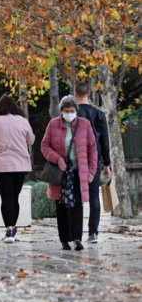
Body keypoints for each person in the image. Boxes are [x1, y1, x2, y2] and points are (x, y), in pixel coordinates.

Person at [41, 95, 97, 251]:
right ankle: (65, 239)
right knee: (61, 205)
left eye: (72, 111)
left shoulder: (84, 125)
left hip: (79, 172)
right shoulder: (53, 125)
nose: (69, 113)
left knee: (77, 205)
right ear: (61, 111)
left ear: (76, 111)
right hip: (61, 172)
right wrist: (57, 158)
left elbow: (93, 149)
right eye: (67, 111)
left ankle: (77, 238)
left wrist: (91, 171)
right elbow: (44, 146)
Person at [0, 95, 35, 243]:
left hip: (0, 164)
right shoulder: (23, 121)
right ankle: (13, 229)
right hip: (20, 164)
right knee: (15, 196)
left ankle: (9, 229)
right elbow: (31, 140)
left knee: (6, 197)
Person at [75, 82, 111, 243]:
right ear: (88, 94)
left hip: (76, 159)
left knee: (76, 195)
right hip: (94, 159)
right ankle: (93, 233)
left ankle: (76, 234)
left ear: (75, 94)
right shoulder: (99, 114)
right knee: (94, 195)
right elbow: (104, 141)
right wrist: (107, 164)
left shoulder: (73, 114)